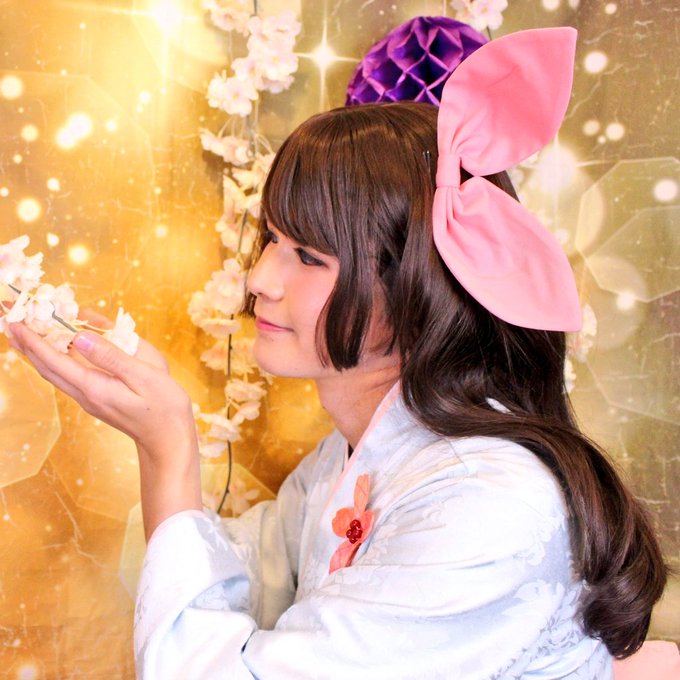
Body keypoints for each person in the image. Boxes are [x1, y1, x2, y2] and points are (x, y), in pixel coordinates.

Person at [7, 27, 667, 679]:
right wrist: (154, 418)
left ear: (412, 288)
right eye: (272, 239)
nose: (259, 279)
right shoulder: (350, 456)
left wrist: (168, 448)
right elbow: (254, 579)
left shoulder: (487, 504)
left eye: (308, 257)